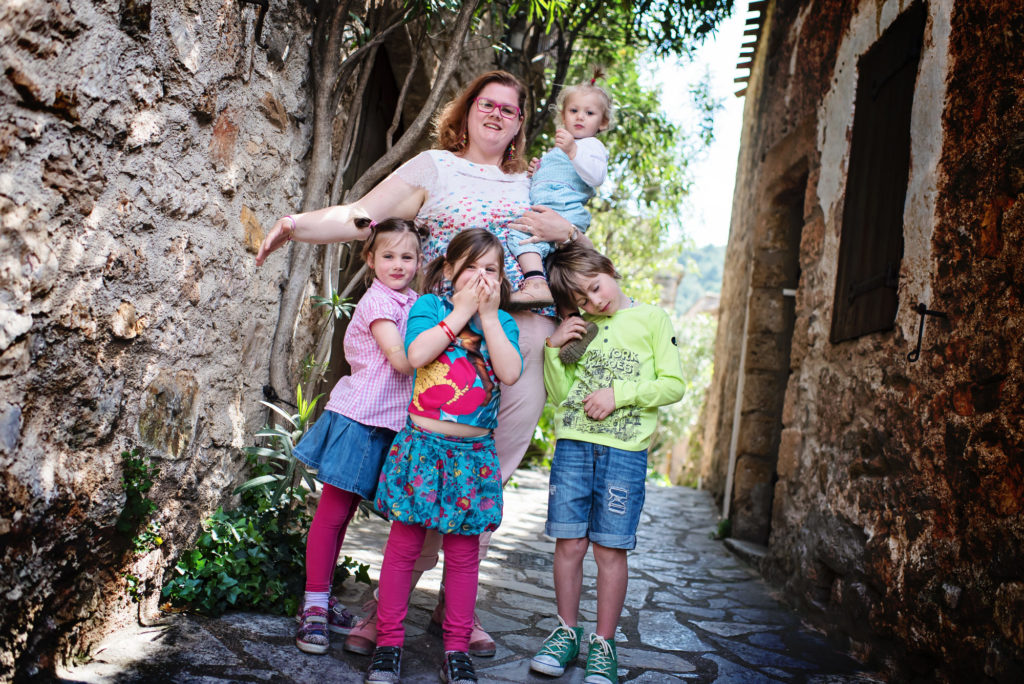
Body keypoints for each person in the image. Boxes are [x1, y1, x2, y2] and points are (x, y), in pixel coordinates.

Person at [256, 70, 584, 656]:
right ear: (468, 109)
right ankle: (386, 613)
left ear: (519, 125)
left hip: (519, 345)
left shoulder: (532, 181)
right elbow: (362, 215)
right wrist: (296, 226)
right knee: (431, 478)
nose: (497, 116)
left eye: (510, 111)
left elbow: (576, 251)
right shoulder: (434, 167)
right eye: (488, 104)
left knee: (487, 483)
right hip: (448, 351)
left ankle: (456, 613)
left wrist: (566, 230)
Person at [364, 229, 521, 683]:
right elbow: (415, 354)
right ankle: (388, 642)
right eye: (471, 266)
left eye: (490, 270)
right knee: (404, 547)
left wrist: (488, 318)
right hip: (422, 448)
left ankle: (456, 647)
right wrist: (463, 312)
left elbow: (509, 373)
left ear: (501, 279)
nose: (480, 276)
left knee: (464, 554)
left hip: (472, 457)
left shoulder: (503, 325)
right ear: (449, 270)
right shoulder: (430, 309)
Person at [529, 245, 685, 684]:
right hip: (574, 446)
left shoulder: (652, 319)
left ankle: (604, 643)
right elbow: (561, 395)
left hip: (624, 452)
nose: (595, 302)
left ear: (609, 270)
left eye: (596, 287)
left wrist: (621, 393)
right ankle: (566, 632)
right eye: (582, 299)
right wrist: (553, 347)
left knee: (610, 549)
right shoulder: (582, 329)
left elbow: (672, 384)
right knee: (569, 544)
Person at [289, 218, 425, 655]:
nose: (398, 264)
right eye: (388, 256)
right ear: (370, 260)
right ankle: (312, 604)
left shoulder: (416, 302)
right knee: (332, 512)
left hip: (393, 423)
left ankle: (323, 597)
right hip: (360, 417)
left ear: (419, 262)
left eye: (407, 256)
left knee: (346, 516)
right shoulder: (377, 303)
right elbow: (403, 361)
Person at [508, 68, 613, 309]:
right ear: (563, 116)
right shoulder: (559, 150)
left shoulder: (591, 146)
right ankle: (564, 309)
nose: (580, 117)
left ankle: (535, 284)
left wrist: (573, 152)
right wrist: (537, 172)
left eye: (589, 113)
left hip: (565, 210)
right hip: (548, 208)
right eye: (574, 111)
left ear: (603, 122)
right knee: (553, 263)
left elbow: (596, 177)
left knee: (522, 238)